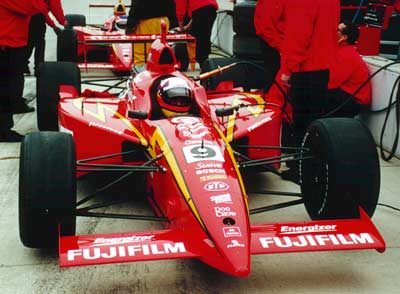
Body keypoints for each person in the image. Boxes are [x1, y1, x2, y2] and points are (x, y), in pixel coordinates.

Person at [279, 0, 340, 183]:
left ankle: (302, 169)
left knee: (301, 124)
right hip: (323, 67)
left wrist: (288, 69)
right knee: (314, 121)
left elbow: (298, 36)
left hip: (305, 68)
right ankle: (312, 167)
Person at [0, 0, 49, 142]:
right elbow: (35, 7)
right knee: (6, 89)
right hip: (7, 44)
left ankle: (4, 129)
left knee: (7, 88)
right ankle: (3, 131)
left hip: (10, 43)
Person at [327, 21, 371, 118]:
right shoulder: (343, 50)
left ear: (344, 37)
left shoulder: (346, 55)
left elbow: (332, 82)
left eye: (337, 30)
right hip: (348, 95)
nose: (334, 31)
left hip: (354, 100)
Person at [125, 0, 177, 73]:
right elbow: (172, 4)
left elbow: (136, 5)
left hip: (146, 22)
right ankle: (161, 75)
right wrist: (174, 23)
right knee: (160, 51)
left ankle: (142, 77)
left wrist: (130, 25)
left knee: (141, 55)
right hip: (164, 21)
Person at [26, 0, 67, 76]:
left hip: (24, 16)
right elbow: (54, 8)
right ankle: (39, 67)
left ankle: (23, 65)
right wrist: (62, 22)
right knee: (39, 43)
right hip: (37, 17)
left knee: (28, 42)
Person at [175, 0, 218, 68]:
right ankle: (204, 63)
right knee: (204, 37)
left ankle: (183, 64)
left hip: (201, 10)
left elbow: (180, 8)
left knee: (190, 39)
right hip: (211, 9)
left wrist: (181, 28)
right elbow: (197, 13)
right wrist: (186, 27)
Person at [254, 0, 286, 92]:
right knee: (274, 83)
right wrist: (282, 48)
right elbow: (265, 28)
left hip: (281, 44)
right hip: (274, 45)